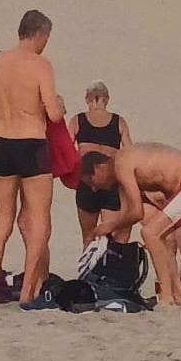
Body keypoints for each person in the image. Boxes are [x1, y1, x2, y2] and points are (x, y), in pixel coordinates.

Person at [0, 10, 65, 307]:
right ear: (40, 34)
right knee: (39, 217)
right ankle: (28, 290)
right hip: (31, 142)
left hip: (2, 141)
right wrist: (55, 107)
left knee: (3, 220)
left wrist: (8, 109)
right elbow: (54, 114)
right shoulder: (40, 65)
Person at [82, 145, 181, 307]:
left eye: (91, 181)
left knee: (150, 233)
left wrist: (107, 226)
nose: (94, 189)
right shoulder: (121, 176)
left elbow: (136, 212)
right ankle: (177, 295)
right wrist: (105, 234)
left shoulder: (121, 162)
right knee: (164, 238)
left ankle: (166, 296)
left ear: (99, 168)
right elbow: (128, 216)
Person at [69, 81, 132, 247]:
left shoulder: (78, 120)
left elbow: (67, 151)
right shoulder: (119, 121)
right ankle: (110, 263)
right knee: (111, 236)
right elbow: (129, 153)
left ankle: (87, 264)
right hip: (111, 182)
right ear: (107, 99)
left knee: (88, 237)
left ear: (87, 99)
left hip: (87, 181)